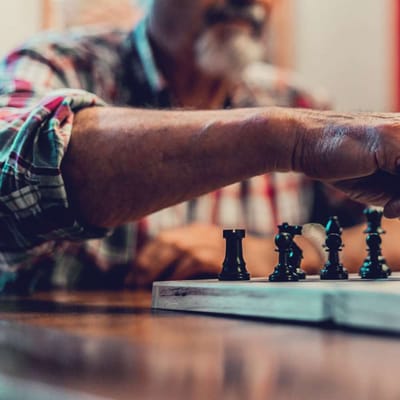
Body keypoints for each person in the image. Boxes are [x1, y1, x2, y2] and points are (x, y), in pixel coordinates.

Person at [0, 0, 400, 292]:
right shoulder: (55, 63)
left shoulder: (300, 100)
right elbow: (13, 178)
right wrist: (282, 137)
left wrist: (299, 251)